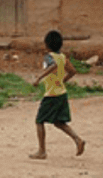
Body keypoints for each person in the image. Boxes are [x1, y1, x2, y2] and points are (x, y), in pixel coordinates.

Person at [29, 30, 86, 160]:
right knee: (59, 122)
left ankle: (42, 151)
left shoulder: (49, 57)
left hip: (51, 95)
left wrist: (39, 78)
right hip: (62, 93)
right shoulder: (63, 57)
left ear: (46, 44)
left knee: (39, 121)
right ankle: (78, 139)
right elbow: (72, 71)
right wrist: (62, 80)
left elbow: (53, 66)